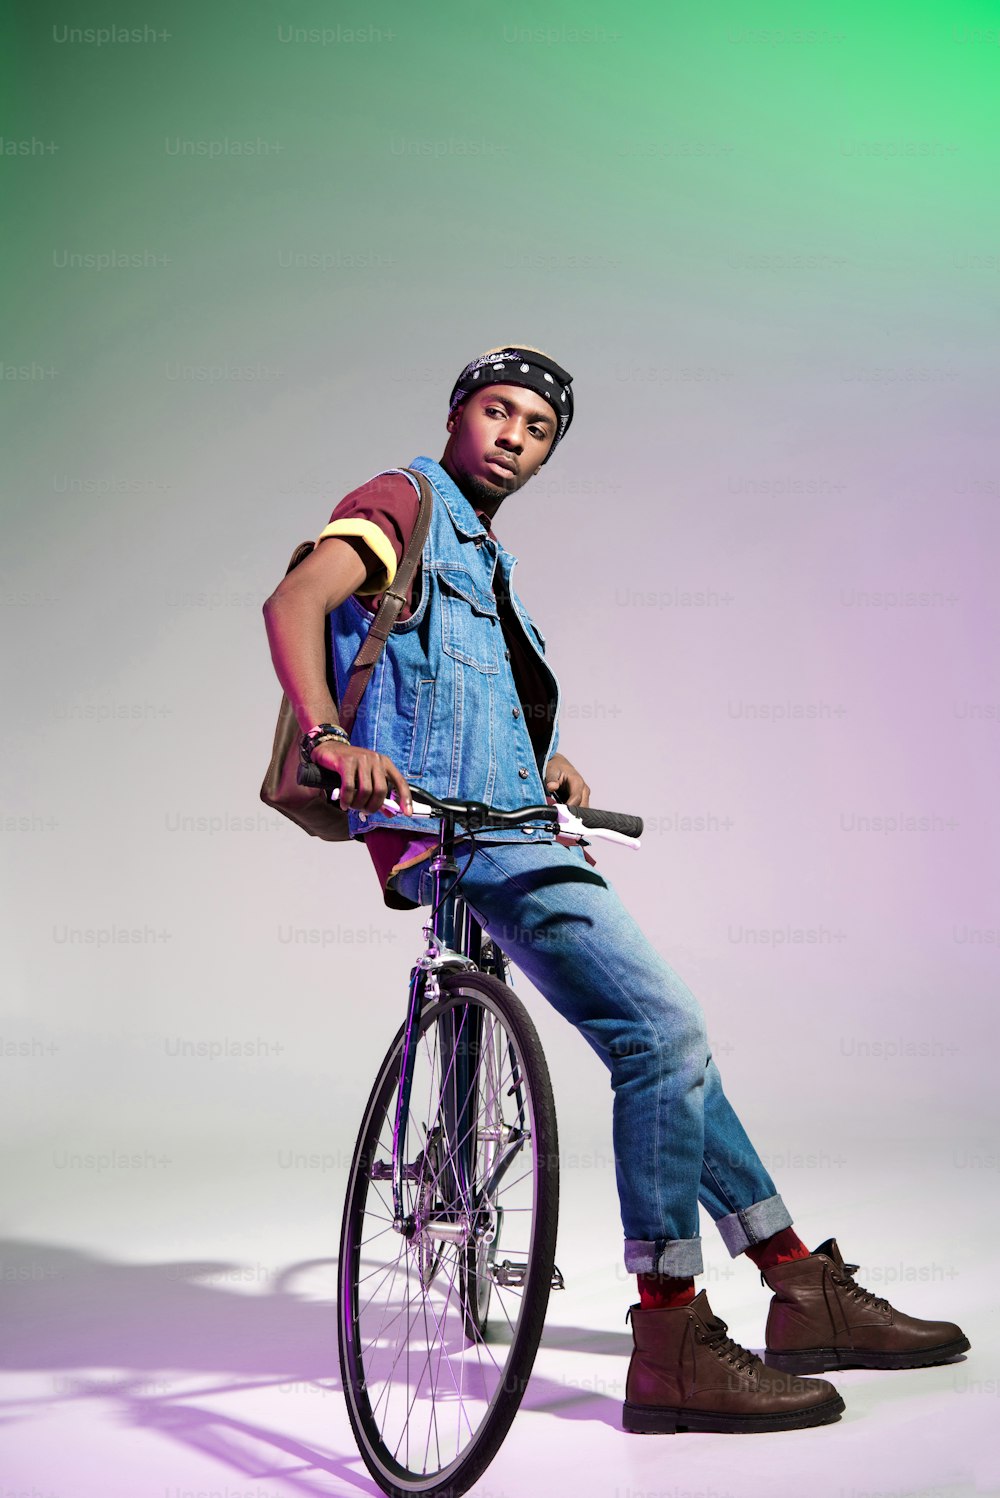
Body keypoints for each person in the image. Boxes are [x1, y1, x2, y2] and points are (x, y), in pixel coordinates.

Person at [262, 344, 969, 1435]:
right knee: (666, 1034)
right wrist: (326, 734)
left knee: (667, 1050)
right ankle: (673, 1335)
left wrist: (539, 757)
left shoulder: (481, 553)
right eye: (496, 412)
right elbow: (294, 598)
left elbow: (454, 690)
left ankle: (794, 1283)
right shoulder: (399, 501)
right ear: (456, 416)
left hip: (502, 816)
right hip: (462, 833)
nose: (513, 436)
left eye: (536, 429)